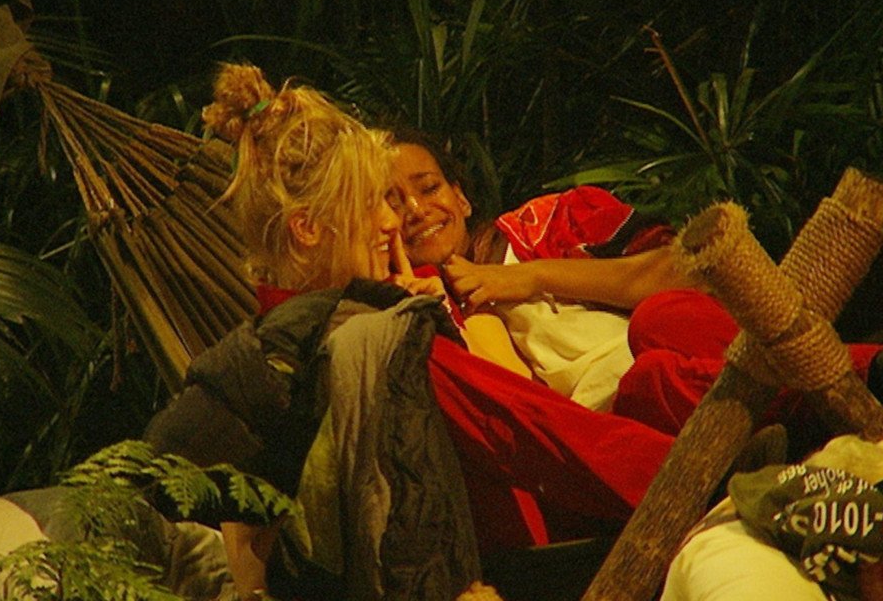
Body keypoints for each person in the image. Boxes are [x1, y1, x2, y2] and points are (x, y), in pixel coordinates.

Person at [142, 64, 677, 601]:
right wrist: (690, 478)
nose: (392, 221)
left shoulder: (268, 349)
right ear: (307, 229)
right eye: (371, 202)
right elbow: (538, 431)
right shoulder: (369, 340)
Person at [385, 129, 883, 449]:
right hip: (630, 428)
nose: (415, 210)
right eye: (391, 202)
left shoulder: (550, 221)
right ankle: (872, 379)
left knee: (662, 320)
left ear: (461, 197)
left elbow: (688, 269)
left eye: (428, 188)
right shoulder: (418, 313)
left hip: (701, 355)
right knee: (646, 383)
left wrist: (531, 275)